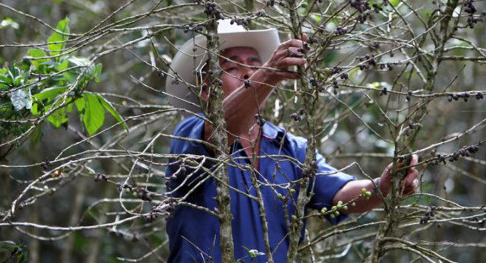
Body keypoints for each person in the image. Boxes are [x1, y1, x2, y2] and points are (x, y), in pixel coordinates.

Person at [165, 20, 419, 263]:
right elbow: (219, 132)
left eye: (255, 64)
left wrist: (384, 185)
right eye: (232, 67)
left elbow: (339, 196)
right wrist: (269, 74)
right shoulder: (189, 133)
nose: (248, 72)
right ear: (206, 89)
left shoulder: (289, 147)